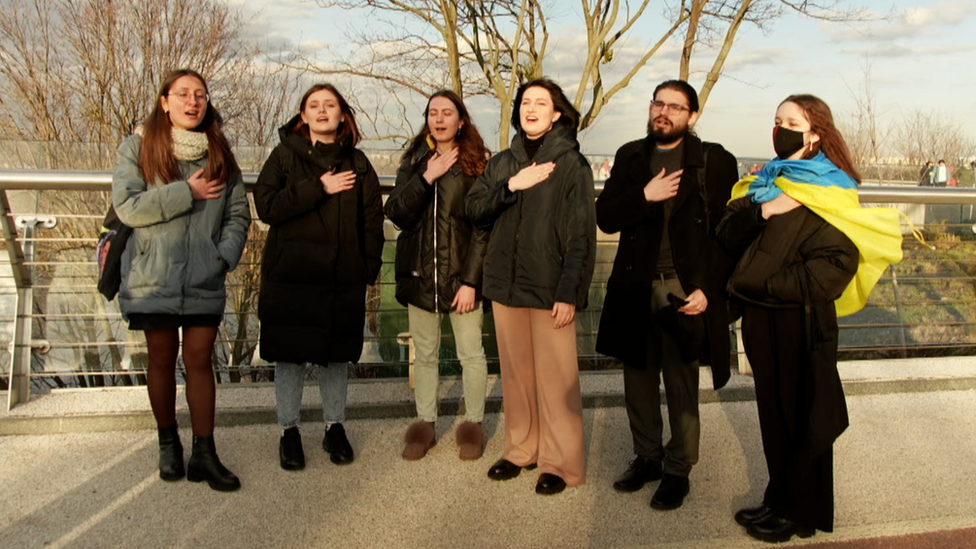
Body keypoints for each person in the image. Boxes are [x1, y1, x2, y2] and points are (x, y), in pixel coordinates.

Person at [716, 94, 902, 543]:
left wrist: (765, 285)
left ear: (815, 132)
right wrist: (766, 209)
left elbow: (835, 266)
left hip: (801, 321)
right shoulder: (765, 183)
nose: (780, 128)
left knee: (804, 416)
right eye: (777, 120)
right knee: (773, 416)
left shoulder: (830, 190)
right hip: (761, 322)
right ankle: (778, 498)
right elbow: (724, 234)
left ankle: (802, 512)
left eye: (791, 121)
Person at [594, 80, 739, 511]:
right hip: (635, 283)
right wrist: (644, 195)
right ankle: (647, 458)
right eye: (659, 103)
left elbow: (725, 236)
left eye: (676, 107)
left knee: (680, 383)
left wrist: (708, 290)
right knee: (637, 379)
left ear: (691, 116)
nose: (664, 112)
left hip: (683, 287)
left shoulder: (713, 160)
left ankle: (679, 469)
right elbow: (605, 218)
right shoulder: (629, 156)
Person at [112, 69, 250, 492]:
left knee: (199, 359)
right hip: (153, 275)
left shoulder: (220, 154)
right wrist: (185, 192)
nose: (193, 102)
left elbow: (238, 214)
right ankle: (168, 441)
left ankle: (205, 454)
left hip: (204, 275)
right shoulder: (138, 148)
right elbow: (128, 207)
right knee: (160, 358)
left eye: (201, 95)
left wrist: (221, 257)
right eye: (184, 94)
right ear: (164, 101)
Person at [465, 78, 596, 495]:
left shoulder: (572, 164)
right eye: (525, 102)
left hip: (549, 287)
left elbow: (581, 235)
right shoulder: (504, 161)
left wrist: (569, 292)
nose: (531, 108)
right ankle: (522, 449)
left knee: (556, 380)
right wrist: (511, 187)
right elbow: (473, 208)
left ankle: (560, 463)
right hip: (505, 286)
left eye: (541, 102)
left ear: (557, 113)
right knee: (517, 376)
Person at [254, 83, 384, 471]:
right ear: (303, 116)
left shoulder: (358, 163)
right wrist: (319, 187)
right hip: (290, 276)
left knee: (335, 358)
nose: (323, 111)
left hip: (341, 279)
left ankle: (334, 427)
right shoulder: (284, 157)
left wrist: (367, 269)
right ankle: (288, 431)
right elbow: (266, 206)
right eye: (314, 105)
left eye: (331, 105)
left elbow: (373, 220)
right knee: (289, 357)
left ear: (343, 115)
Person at [385, 90, 491, 461]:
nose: (440, 118)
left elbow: (482, 227)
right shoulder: (414, 160)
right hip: (420, 276)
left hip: (461, 280)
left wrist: (471, 281)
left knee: (470, 354)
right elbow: (396, 211)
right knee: (425, 355)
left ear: (461, 120)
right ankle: (425, 423)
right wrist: (426, 177)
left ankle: (473, 424)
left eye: (448, 112)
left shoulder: (476, 163)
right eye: (433, 113)